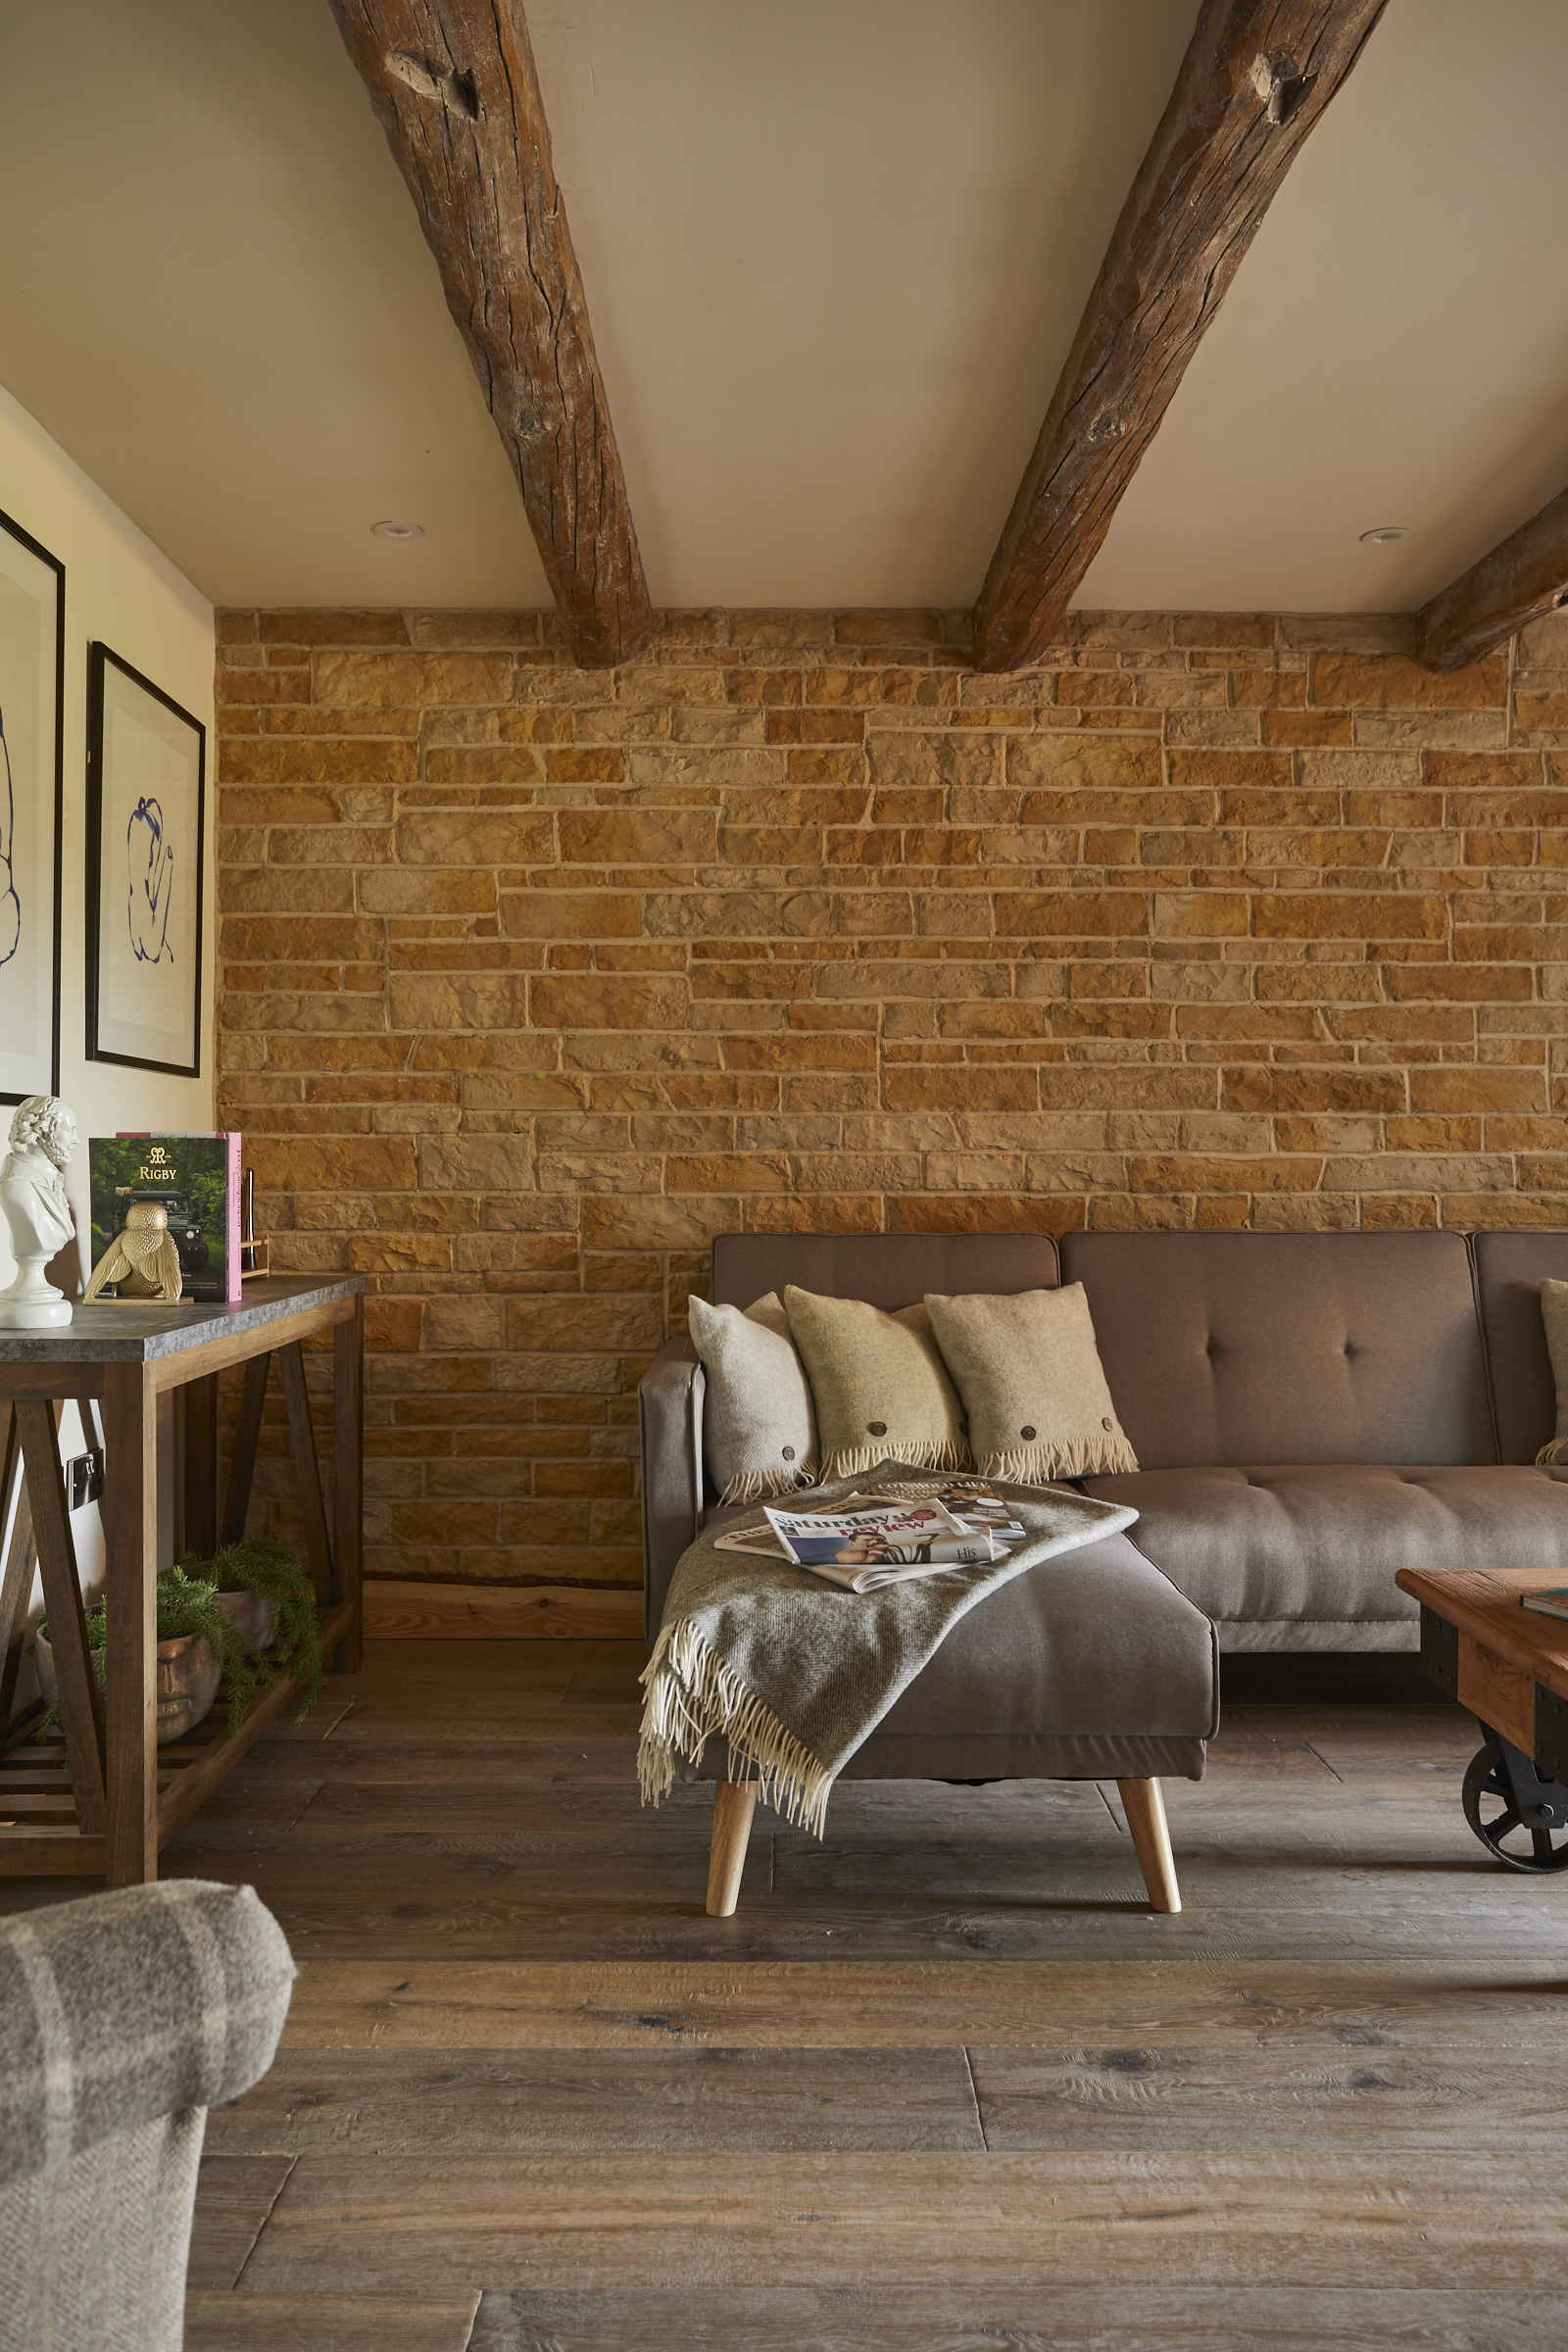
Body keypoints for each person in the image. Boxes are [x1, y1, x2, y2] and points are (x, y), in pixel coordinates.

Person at [0, 1095, 77, 1328]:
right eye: (70, 1130)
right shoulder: (16, 1186)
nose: (75, 1140)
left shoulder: (48, 1180)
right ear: (43, 1131)